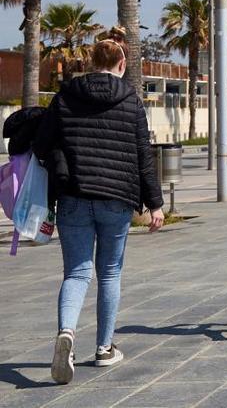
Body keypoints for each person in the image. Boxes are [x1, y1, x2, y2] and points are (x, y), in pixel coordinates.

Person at [33, 26, 165, 384]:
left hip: (74, 196)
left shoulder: (64, 98)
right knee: (109, 272)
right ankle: (105, 348)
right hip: (116, 199)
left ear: (92, 62)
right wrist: (155, 204)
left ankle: (67, 334)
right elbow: (144, 156)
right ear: (121, 63)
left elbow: (42, 146)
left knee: (76, 272)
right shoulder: (131, 101)